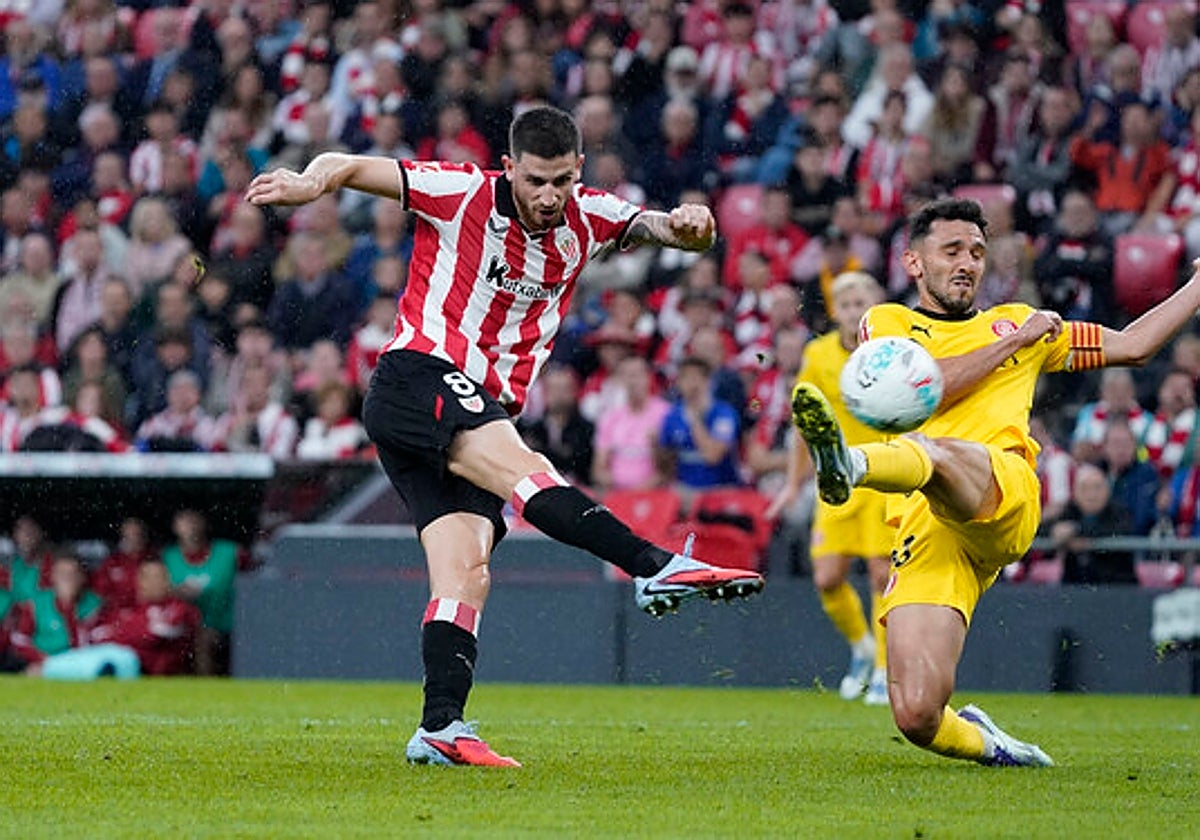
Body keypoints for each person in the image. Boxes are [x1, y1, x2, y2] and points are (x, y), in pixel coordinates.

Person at [246, 105, 764, 767]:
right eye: (536, 182)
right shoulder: (458, 191)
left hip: (475, 406)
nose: (549, 197)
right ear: (511, 168)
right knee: (526, 471)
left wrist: (690, 228)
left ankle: (440, 726)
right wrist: (312, 182)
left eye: (561, 182)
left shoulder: (589, 214)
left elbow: (659, 228)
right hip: (421, 375)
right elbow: (347, 165)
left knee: (467, 571)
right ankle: (655, 567)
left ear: (578, 172)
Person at [789, 197, 1200, 768]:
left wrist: (1197, 287)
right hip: (927, 523)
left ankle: (851, 467)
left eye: (978, 252)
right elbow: (929, 386)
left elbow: (1134, 346)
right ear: (913, 262)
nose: (967, 262)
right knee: (916, 713)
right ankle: (996, 746)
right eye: (952, 250)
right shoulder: (887, 324)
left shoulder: (1014, 320)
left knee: (933, 451)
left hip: (1001, 490)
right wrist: (1017, 341)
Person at [768, 272, 892, 705]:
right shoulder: (818, 355)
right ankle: (863, 648)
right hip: (836, 477)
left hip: (882, 474)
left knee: (881, 573)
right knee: (827, 577)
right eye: (848, 303)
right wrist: (791, 484)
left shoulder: (890, 353)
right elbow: (805, 423)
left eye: (863, 302)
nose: (855, 310)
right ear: (835, 310)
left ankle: (883, 670)